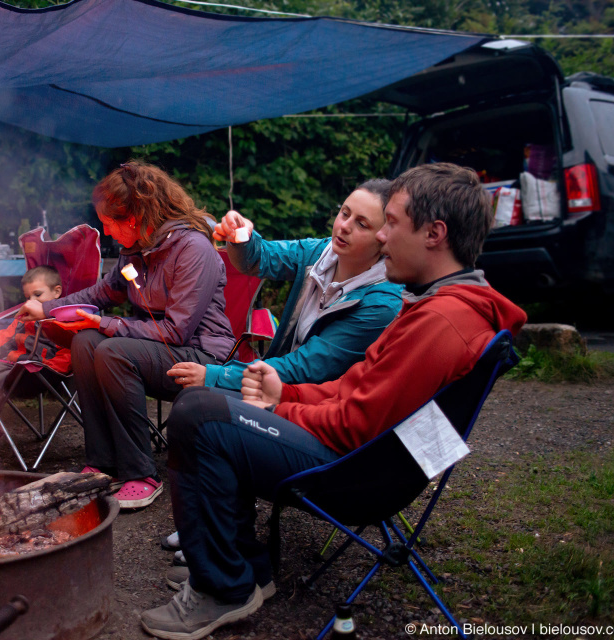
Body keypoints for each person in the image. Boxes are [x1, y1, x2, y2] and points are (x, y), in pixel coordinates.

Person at [139, 163, 528, 640]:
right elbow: (357, 389)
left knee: (200, 416)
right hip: (361, 454)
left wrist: (278, 409)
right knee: (218, 408)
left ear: (434, 233)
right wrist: (288, 394)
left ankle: (224, 587)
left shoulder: (440, 322)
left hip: (358, 474)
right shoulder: (433, 303)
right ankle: (240, 564)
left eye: (391, 223)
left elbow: (355, 425)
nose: (383, 237)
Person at [160, 179, 403, 557]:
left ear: (384, 238)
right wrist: (241, 238)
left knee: (212, 409)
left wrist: (216, 375)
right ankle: (208, 523)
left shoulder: (380, 302)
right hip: (281, 387)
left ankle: (217, 536)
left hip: (317, 408)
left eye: (361, 224)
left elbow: (307, 366)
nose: (344, 226)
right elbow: (262, 258)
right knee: (205, 404)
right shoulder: (321, 254)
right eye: (344, 213)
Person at [17, 160, 235, 510]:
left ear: (132, 218)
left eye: (108, 224)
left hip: (199, 356)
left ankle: (142, 474)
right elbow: (102, 294)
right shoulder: (137, 250)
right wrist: (48, 309)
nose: (107, 233)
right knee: (86, 343)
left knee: (111, 349)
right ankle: (103, 464)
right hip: (153, 351)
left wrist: (106, 324)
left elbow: (176, 332)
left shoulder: (193, 249)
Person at [0, 265, 68, 433]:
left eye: (38, 295)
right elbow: (2, 338)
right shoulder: (24, 319)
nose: (31, 301)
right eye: (28, 297)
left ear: (57, 292)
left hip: (41, 374)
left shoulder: (65, 320)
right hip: (16, 370)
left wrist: (45, 365)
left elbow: (70, 353)